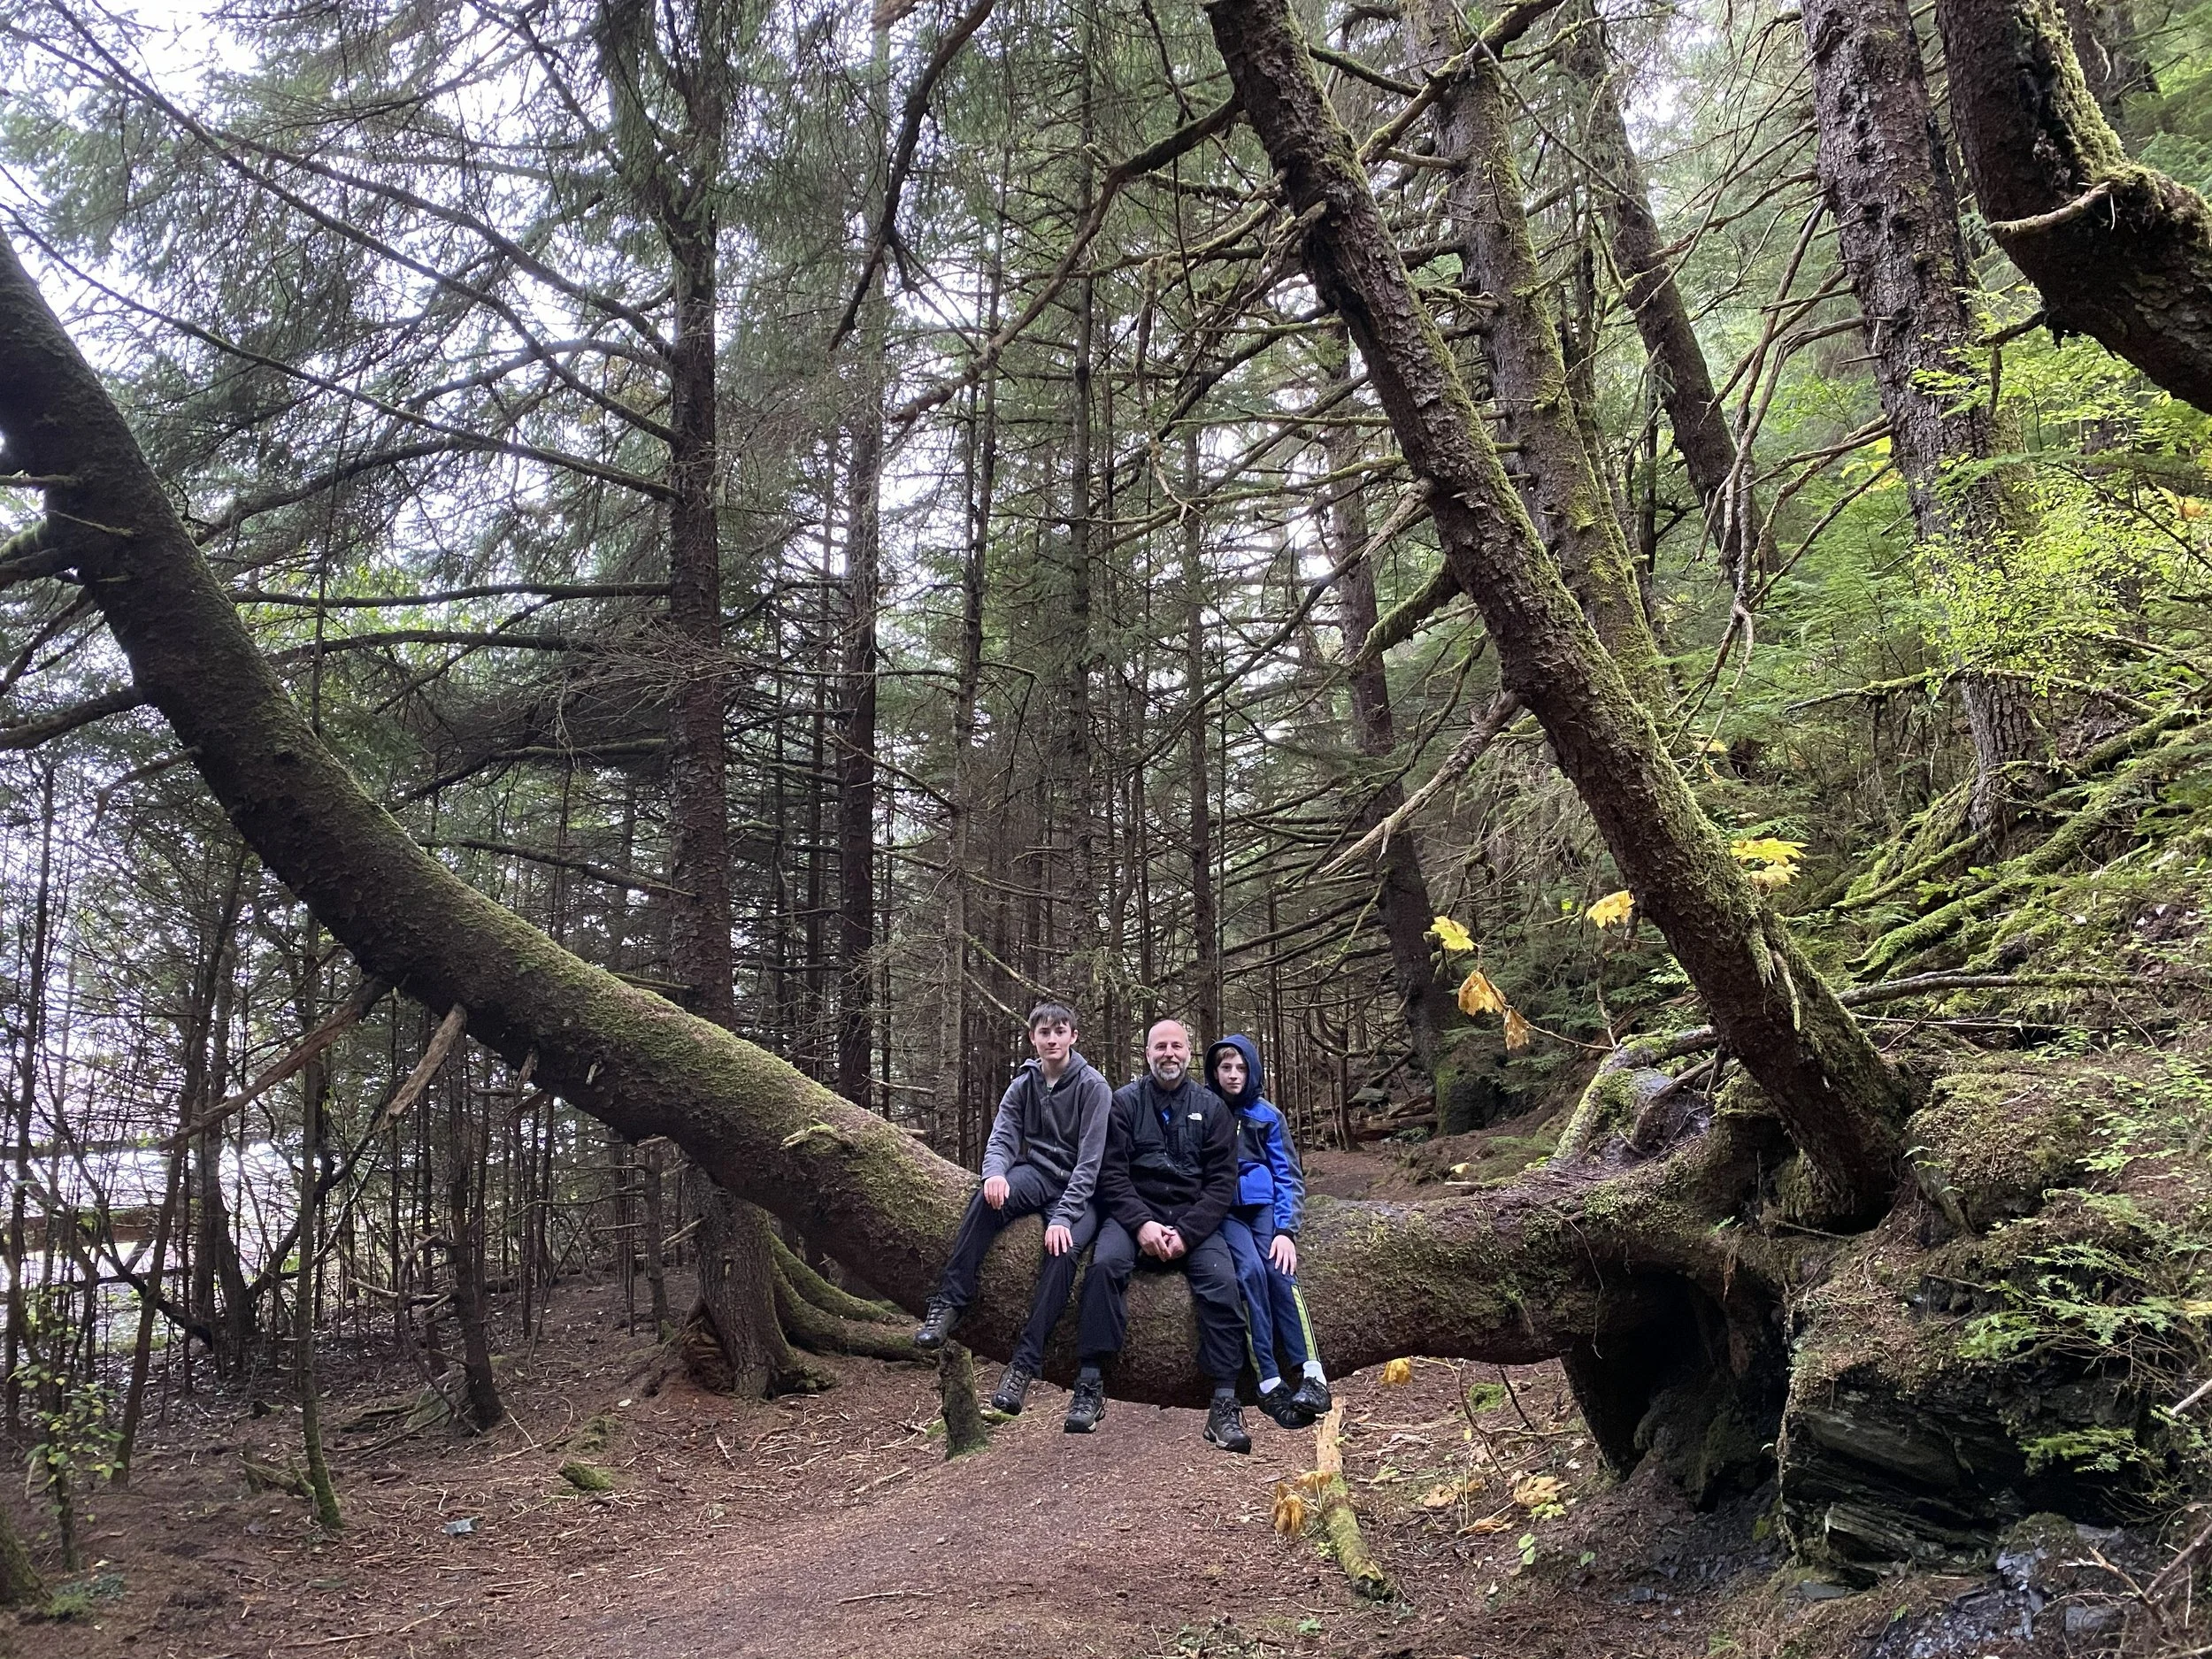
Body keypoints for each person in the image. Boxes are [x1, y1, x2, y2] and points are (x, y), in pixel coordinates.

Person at [913, 1001, 1110, 1416]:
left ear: (1073, 1036)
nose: (1052, 1039)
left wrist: (1063, 1217)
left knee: (1063, 1251)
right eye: (1044, 1032)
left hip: (1080, 1190)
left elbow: (1090, 1163)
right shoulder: (1024, 1084)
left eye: (1060, 1031)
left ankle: (1023, 1364)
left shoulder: (1094, 1087)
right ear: (1032, 1038)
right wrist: (995, 1175)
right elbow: (1002, 1137)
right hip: (1035, 1173)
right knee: (985, 1201)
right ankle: (950, 1301)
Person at [1064, 1018, 1252, 1453]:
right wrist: (1141, 1224)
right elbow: (1111, 1174)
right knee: (1104, 1267)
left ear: (1189, 1052)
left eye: (1176, 1046)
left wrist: (1187, 1233)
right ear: (1147, 1053)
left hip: (1194, 1220)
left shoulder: (1213, 1108)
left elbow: (1221, 1184)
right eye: (1160, 1046)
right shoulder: (1124, 1103)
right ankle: (1090, 1382)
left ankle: (1225, 1402)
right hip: (1134, 1216)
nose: (1169, 1054)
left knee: (1223, 1283)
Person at [1206, 1033, 1332, 1429]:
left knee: (1279, 1270)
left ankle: (1312, 1373)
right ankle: (1268, 1379)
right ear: (1214, 1071)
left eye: (1241, 1068)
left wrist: (1285, 1231)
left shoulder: (1267, 1115)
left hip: (1263, 1209)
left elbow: (1288, 1176)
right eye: (1226, 1067)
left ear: (1253, 1071)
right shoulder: (1205, 1111)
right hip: (1224, 1212)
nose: (1233, 1075)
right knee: (1249, 1274)